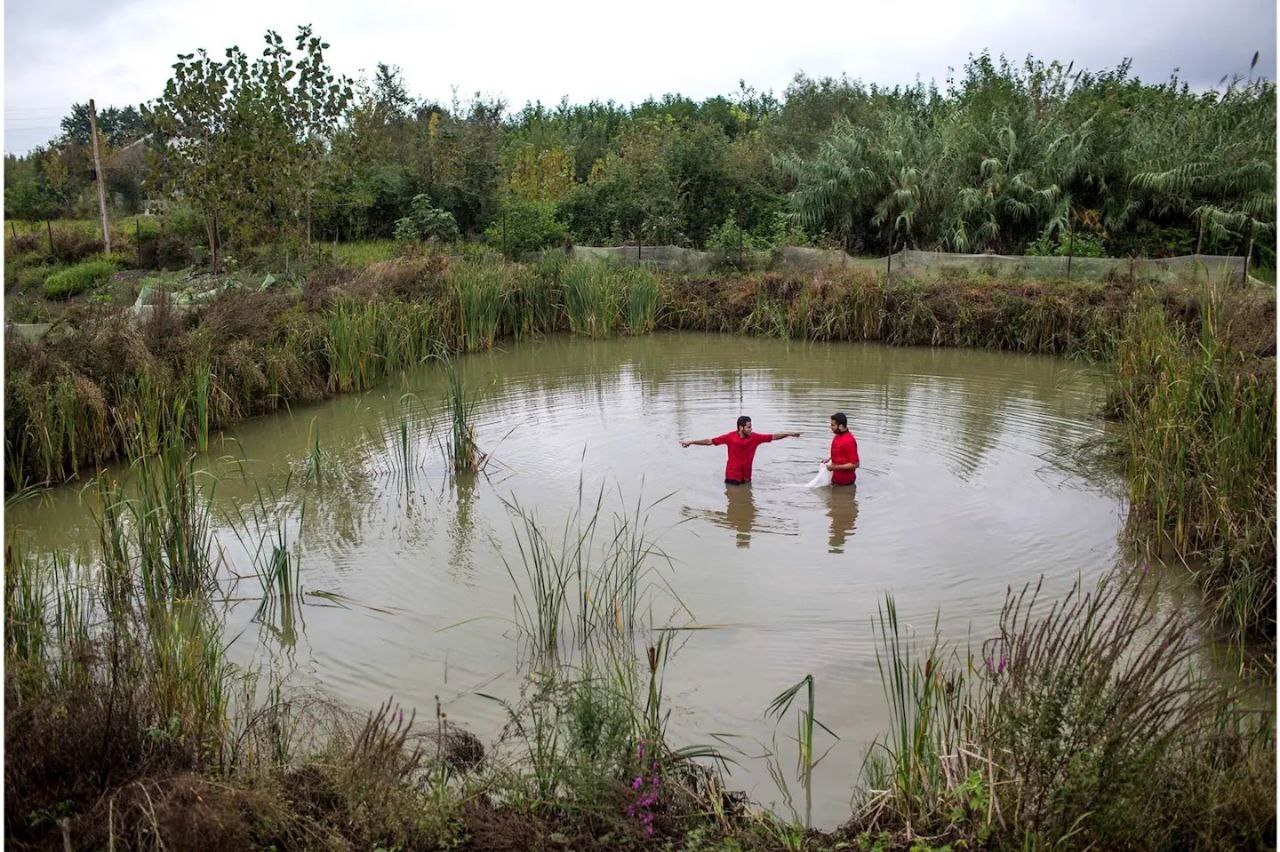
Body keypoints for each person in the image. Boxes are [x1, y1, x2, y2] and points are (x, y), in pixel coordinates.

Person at [680, 416, 801, 484]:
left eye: (751, 426)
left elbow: (773, 436)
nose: (751, 429)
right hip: (732, 477)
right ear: (741, 427)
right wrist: (691, 442)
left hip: (747, 478)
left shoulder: (755, 438)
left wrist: (790, 434)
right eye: (748, 427)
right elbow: (710, 441)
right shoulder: (730, 437)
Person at [822, 412, 859, 488]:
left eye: (833, 425)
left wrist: (834, 467)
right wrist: (829, 459)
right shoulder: (838, 435)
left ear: (841, 426)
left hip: (846, 484)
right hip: (835, 480)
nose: (830, 427)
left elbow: (855, 464)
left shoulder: (849, 441)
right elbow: (840, 453)